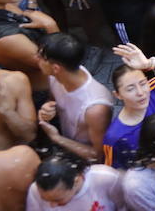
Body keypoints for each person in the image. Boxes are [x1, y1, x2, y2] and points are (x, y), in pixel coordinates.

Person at [36, 32, 111, 163]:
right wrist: (48, 108)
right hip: (67, 143)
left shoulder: (95, 107)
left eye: (41, 57)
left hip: (84, 161)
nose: (36, 58)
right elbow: (53, 99)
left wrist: (57, 138)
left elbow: (98, 155)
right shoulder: (56, 75)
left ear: (55, 68)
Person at [24, 157, 129, 211]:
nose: (52, 205)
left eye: (58, 200)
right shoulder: (35, 190)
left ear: (76, 181)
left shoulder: (106, 178)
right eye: (45, 200)